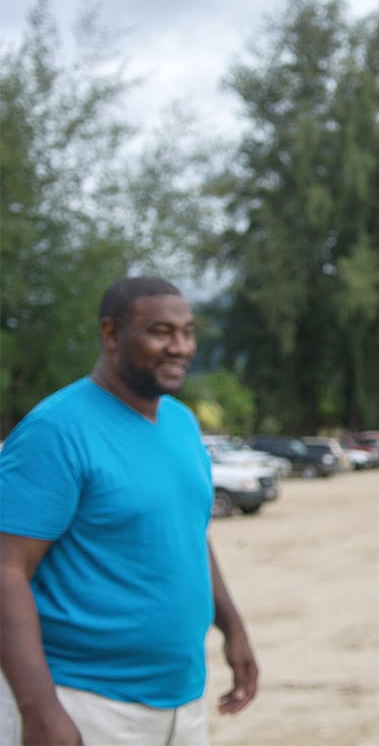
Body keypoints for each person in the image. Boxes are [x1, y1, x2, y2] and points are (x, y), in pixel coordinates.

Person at [0, 277, 258, 745]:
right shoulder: (55, 431)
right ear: (112, 335)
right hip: (83, 703)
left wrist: (232, 628)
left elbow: (187, 533)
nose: (179, 347)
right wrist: (39, 711)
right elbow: (6, 568)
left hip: (181, 700)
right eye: (161, 331)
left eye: (187, 331)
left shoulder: (180, 422)